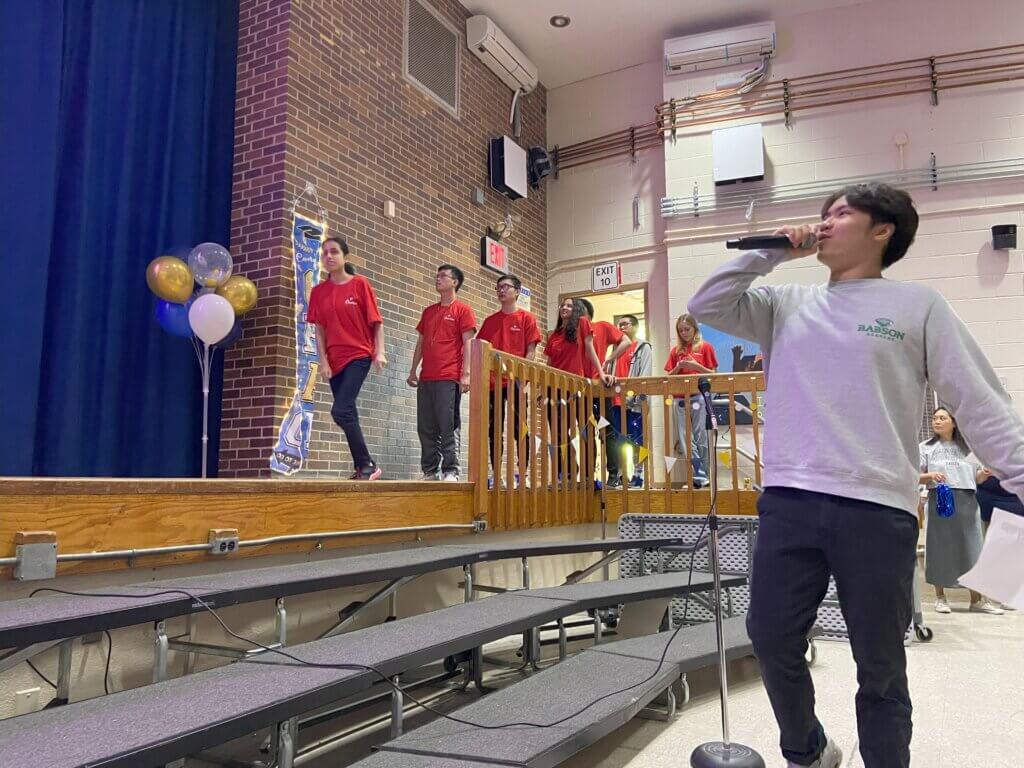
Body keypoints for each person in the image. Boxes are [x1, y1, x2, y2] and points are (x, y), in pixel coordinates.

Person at [688, 181, 1024, 768]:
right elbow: (706, 304)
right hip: (789, 500)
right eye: (822, 214)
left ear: (882, 230)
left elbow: (977, 399)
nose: (825, 222)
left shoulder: (917, 305)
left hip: (878, 508)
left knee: (880, 665)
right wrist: (769, 252)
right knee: (770, 637)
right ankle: (809, 751)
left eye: (841, 213)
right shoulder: (786, 303)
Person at [307, 236, 386, 480]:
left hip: (359, 354)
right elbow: (319, 330)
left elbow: (376, 322)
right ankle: (364, 466)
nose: (328, 257)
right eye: (324, 253)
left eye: (334, 252)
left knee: (340, 410)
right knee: (347, 411)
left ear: (345, 256)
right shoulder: (319, 292)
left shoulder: (360, 284)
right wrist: (323, 361)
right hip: (334, 360)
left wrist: (379, 352)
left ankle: (366, 464)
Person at [919, 407, 1003, 615]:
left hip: (967, 500)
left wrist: (985, 473)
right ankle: (940, 597)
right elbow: (914, 474)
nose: (937, 422)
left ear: (954, 422)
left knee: (972, 547)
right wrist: (930, 475)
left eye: (942, 418)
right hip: (941, 498)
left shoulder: (968, 448)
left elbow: (977, 478)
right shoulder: (925, 447)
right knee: (939, 547)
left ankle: (976, 600)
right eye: (935, 418)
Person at [407, 264, 476, 481]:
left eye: (443, 276)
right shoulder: (428, 312)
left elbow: (469, 344)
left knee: (448, 425)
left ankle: (451, 470)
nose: (437, 279)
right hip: (427, 377)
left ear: (454, 282)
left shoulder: (463, 310)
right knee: (425, 427)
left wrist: (466, 374)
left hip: (449, 377)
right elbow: (421, 342)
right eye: (437, 276)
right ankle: (430, 471)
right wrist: (413, 370)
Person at [476, 274, 542, 483]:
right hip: (493, 383)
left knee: (519, 428)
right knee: (494, 430)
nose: (501, 290)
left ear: (517, 291)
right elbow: (480, 349)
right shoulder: (490, 321)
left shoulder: (527, 318)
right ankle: (497, 475)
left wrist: (522, 380)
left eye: (505, 287)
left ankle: (523, 474)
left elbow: (530, 352)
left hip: (516, 382)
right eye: (498, 287)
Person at [544, 298, 615, 478]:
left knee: (586, 430)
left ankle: (588, 474)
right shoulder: (554, 334)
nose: (565, 308)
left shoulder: (582, 323)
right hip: (555, 387)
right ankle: (566, 471)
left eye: (569, 305)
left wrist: (601, 372)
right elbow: (550, 363)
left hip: (578, 387)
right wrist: (542, 390)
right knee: (559, 432)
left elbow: (590, 349)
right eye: (562, 305)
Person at [579, 298, 631, 483]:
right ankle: (587, 475)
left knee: (606, 430)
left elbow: (626, 341)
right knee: (586, 432)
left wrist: (609, 360)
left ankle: (613, 474)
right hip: (580, 389)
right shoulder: (572, 333)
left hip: (599, 387)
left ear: (586, 312)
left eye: (577, 309)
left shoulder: (601, 326)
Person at [664, 313, 718, 487]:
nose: (684, 333)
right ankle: (696, 476)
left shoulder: (705, 347)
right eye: (680, 330)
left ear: (695, 329)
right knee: (685, 438)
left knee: (701, 435)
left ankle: (705, 475)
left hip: (698, 397)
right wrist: (679, 368)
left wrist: (696, 367)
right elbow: (668, 377)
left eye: (687, 329)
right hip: (680, 399)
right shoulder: (676, 351)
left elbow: (714, 374)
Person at [610, 314, 652, 488]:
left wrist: (636, 396)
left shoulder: (643, 347)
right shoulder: (616, 348)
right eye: (619, 325)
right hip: (616, 401)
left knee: (637, 441)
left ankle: (639, 475)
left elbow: (645, 373)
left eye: (625, 324)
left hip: (634, 402)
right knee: (619, 441)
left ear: (635, 326)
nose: (621, 328)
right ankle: (622, 474)